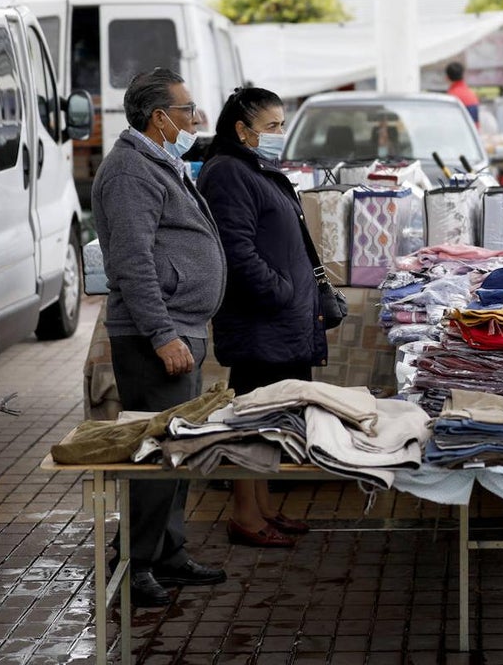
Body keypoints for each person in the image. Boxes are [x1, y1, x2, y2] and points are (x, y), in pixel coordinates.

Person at [91, 67, 228, 607]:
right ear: (159, 117)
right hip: (156, 336)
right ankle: (133, 562)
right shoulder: (130, 171)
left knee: (178, 451)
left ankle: (168, 552)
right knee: (156, 456)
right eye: (188, 110)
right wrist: (163, 333)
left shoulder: (159, 161)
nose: (195, 119)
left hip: (182, 327)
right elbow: (132, 261)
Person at [197, 87, 327, 548]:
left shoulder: (256, 168)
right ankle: (245, 517)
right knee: (252, 419)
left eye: (280, 124)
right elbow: (236, 250)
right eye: (271, 126)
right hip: (260, 322)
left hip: (280, 321)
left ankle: (263, 507)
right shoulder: (228, 173)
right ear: (241, 129)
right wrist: (281, 292)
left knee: (271, 419)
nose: (279, 134)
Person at [445, 61, 480, 126]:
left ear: (447, 78)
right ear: (463, 76)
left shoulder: (450, 98)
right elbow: (476, 124)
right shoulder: (471, 94)